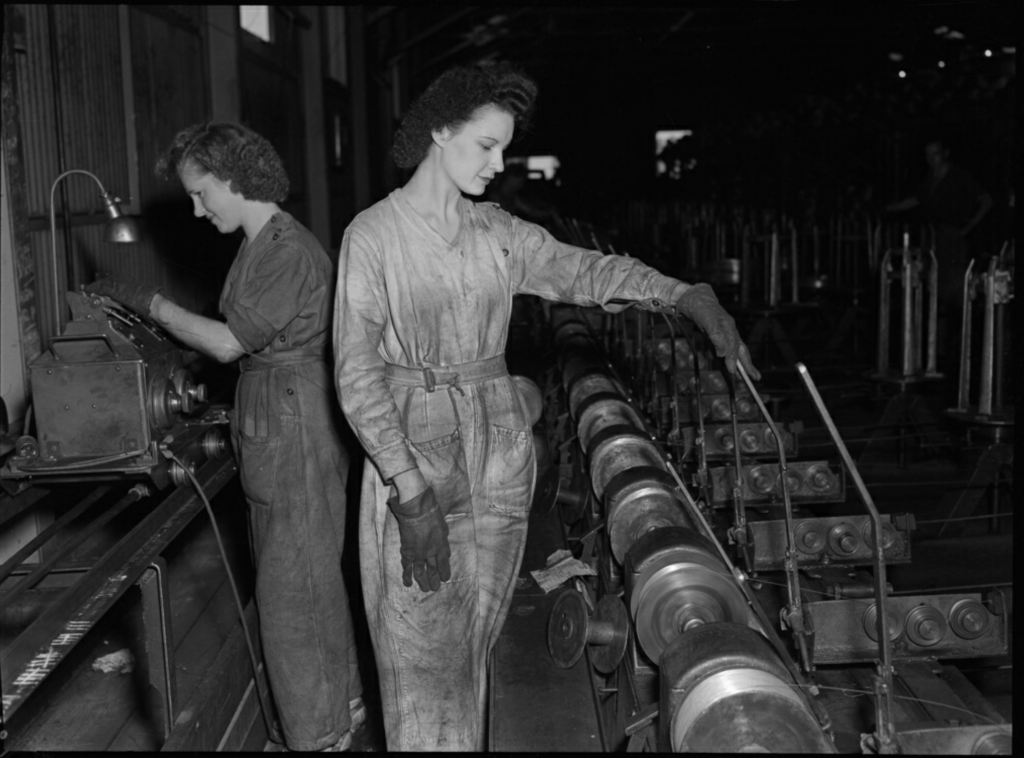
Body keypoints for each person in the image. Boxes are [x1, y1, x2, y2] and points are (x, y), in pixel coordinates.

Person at [332, 64, 759, 751]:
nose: (499, 165)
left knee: (471, 649)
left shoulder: (496, 232)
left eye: (503, 147)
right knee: (419, 664)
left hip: (498, 455)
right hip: (416, 459)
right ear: (439, 133)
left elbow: (585, 271)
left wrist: (682, 294)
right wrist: (409, 495)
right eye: (486, 145)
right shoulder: (374, 237)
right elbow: (357, 375)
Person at [86, 123, 363, 752]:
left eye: (201, 191)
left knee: (290, 586)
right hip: (282, 414)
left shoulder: (286, 250)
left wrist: (149, 303)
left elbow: (230, 341)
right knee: (308, 572)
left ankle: (317, 736)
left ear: (235, 179)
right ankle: (339, 705)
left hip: (294, 425)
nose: (195, 207)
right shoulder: (259, 245)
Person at [886, 138, 993, 362]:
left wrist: (968, 228)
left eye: (935, 154)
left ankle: (968, 347)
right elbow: (917, 199)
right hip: (934, 241)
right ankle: (941, 350)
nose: (930, 159)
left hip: (954, 241)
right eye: (927, 155)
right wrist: (890, 208)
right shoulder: (930, 180)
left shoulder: (960, 176)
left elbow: (986, 200)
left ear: (945, 153)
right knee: (937, 292)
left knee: (956, 293)